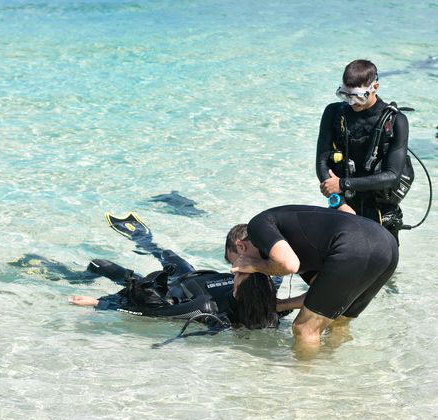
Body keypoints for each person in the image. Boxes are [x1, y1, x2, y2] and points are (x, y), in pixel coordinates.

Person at [69, 212, 284, 329]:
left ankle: (68, 275)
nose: (234, 270)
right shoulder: (267, 294)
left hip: (168, 288)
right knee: (169, 254)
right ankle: (144, 239)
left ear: (237, 291)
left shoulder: (205, 308)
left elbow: (154, 313)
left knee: (101, 264)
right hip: (192, 273)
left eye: (237, 274)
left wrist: (101, 303)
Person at [225, 205, 398, 348]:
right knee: (338, 320)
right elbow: (322, 295)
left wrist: (255, 266)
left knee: (304, 328)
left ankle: (306, 386)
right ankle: (334, 375)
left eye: (238, 266)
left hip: (352, 246)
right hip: (386, 244)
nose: (242, 271)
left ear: (241, 246)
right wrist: (280, 305)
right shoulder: (298, 246)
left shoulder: (257, 226)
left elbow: (289, 265)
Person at [316, 59, 413, 242]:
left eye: (358, 96)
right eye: (345, 95)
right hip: (343, 206)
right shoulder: (333, 113)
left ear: (375, 87)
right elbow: (322, 163)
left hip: (381, 211)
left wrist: (343, 184)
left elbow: (392, 175)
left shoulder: (396, 121)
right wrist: (339, 202)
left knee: (383, 269)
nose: (352, 102)